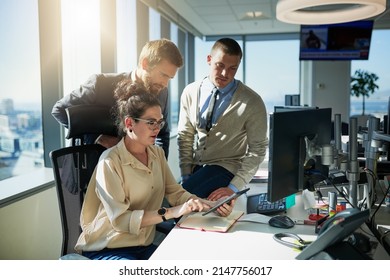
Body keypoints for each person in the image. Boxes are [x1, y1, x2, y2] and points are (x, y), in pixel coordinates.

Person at [74, 80, 233, 260]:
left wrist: (211, 205)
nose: (157, 129)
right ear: (129, 123)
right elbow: (121, 220)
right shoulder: (109, 162)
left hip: (142, 245)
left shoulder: (156, 154)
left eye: (160, 122)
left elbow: (176, 193)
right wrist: (173, 212)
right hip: (108, 247)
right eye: (151, 122)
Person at [51, 38, 183, 158]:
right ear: (145, 64)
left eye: (170, 78)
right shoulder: (100, 84)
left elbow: (163, 135)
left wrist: (158, 168)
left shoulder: (161, 92)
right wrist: (98, 137)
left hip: (135, 172)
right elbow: (59, 110)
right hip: (93, 168)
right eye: (163, 75)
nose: (165, 84)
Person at [177, 37, 268, 200]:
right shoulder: (190, 92)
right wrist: (185, 175)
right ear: (209, 60)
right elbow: (185, 136)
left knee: (178, 201)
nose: (226, 74)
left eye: (233, 68)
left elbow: (258, 149)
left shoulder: (252, 102)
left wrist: (234, 187)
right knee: (178, 200)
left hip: (226, 167)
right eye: (220, 65)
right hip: (196, 168)